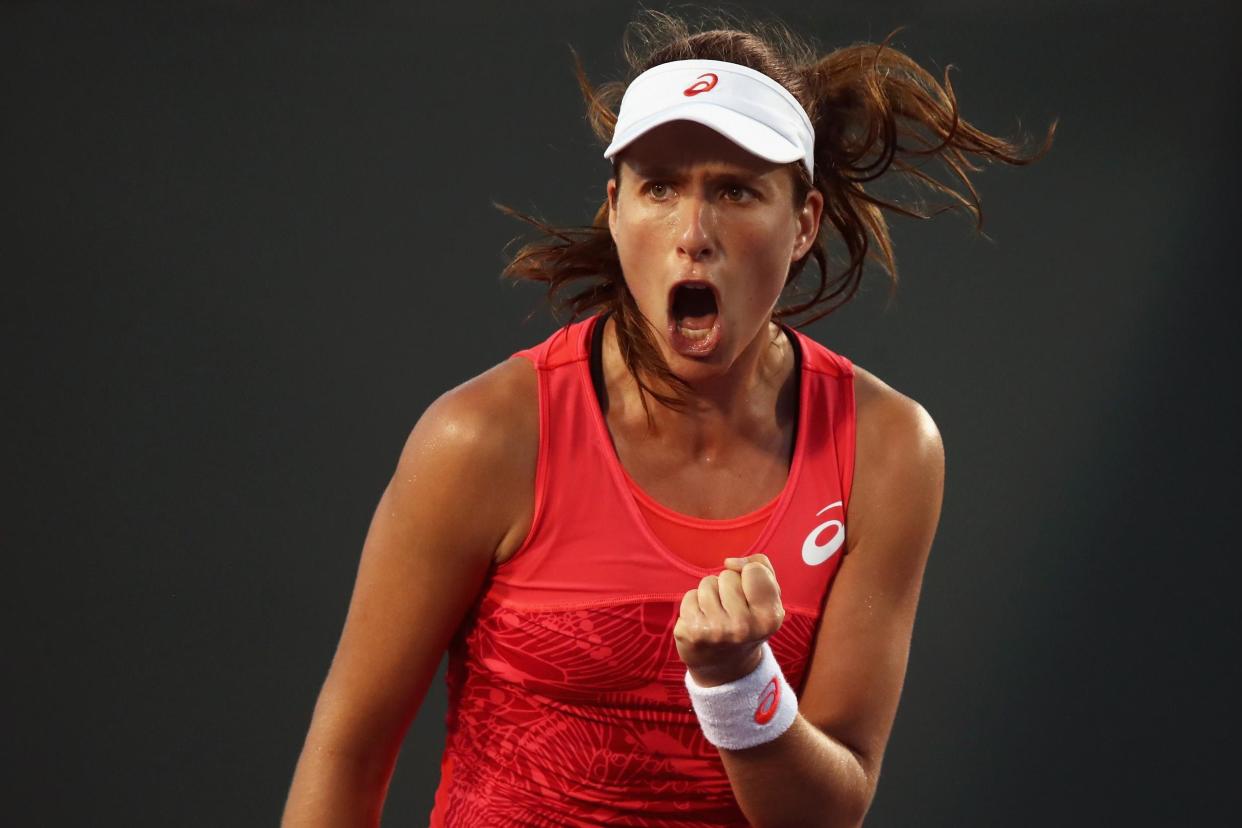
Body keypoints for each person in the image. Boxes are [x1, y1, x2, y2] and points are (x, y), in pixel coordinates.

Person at [283, 10, 1051, 827]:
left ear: (804, 224)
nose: (694, 234)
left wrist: (740, 688)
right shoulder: (483, 438)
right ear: (614, 212)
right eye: (659, 187)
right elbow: (349, 752)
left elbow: (828, 814)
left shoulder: (889, 452)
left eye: (735, 190)